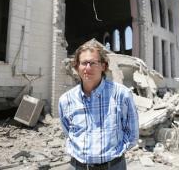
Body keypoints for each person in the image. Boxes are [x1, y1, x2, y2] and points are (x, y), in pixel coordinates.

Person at [58, 40, 139, 170]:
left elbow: (132, 134)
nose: (88, 68)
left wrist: (114, 154)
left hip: (113, 166)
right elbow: (68, 131)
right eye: (84, 63)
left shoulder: (121, 94)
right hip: (77, 166)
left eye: (93, 63)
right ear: (77, 66)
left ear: (103, 66)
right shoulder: (66, 100)